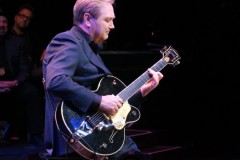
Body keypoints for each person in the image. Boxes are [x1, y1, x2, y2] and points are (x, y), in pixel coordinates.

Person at [42, 0, 163, 159]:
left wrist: (141, 92)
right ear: (87, 19)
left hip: (99, 133)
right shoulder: (69, 40)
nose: (112, 26)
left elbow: (110, 102)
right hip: (75, 139)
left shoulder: (90, 48)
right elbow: (56, 80)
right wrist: (99, 101)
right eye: (107, 20)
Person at [0, 10, 43, 146]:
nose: (2, 25)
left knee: (32, 92)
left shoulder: (17, 42)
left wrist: (15, 82)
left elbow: (24, 68)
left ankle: (35, 135)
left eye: (4, 22)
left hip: (13, 84)